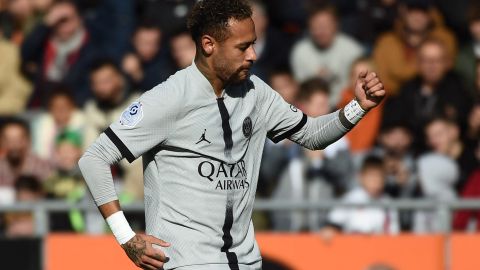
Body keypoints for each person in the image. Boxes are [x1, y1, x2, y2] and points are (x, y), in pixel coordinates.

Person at [78, 1, 385, 269]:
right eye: (242, 47)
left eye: (253, 43)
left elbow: (311, 134)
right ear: (209, 44)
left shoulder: (256, 93)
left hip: (246, 261)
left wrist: (358, 107)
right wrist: (126, 237)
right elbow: (94, 159)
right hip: (188, 262)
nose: (252, 55)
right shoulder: (168, 98)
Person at [383, 39, 472, 153]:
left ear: (447, 63)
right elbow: (395, 121)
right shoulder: (407, 89)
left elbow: (465, 128)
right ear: (418, 63)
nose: (432, 66)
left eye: (437, 60)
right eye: (426, 60)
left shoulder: (459, 90)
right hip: (411, 152)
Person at [372, 0, 457, 95]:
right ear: (402, 11)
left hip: (438, 96)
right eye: (412, 10)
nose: (417, 16)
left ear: (431, 13)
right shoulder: (387, 42)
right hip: (395, 99)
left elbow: (446, 71)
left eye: (423, 11)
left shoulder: (444, 38)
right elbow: (383, 80)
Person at [290, 3, 364, 106]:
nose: (321, 31)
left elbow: (356, 88)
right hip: (313, 110)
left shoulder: (353, 51)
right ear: (309, 27)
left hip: (346, 106)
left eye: (325, 26)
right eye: (316, 26)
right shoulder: (300, 51)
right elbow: (302, 91)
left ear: (336, 25)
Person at [321, 156, 399, 235]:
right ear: (361, 177)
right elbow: (333, 223)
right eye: (371, 176)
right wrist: (330, 230)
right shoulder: (351, 199)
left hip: (379, 246)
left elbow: (393, 234)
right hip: (353, 245)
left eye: (380, 176)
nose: (376, 181)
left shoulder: (388, 203)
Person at [0, 118, 52, 188]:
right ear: (1, 142)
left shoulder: (41, 167)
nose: (14, 145)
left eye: (18, 140)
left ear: (28, 141)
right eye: (8, 140)